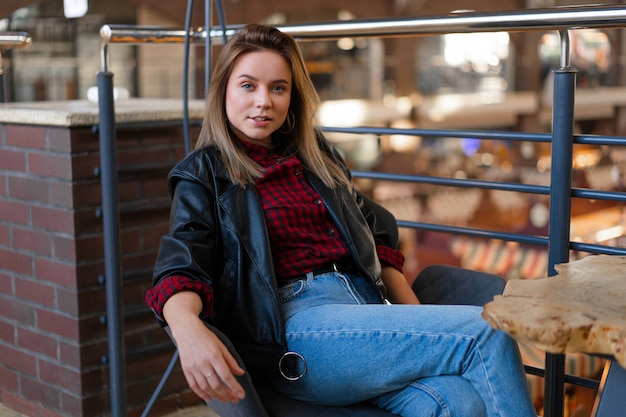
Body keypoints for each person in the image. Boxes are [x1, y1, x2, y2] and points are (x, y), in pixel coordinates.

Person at [146, 23, 536, 417]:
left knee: (458, 402)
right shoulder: (204, 174)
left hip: (364, 315)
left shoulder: (318, 158)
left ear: (292, 97)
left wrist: (414, 321)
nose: (263, 101)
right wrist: (188, 331)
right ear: (224, 91)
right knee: (487, 332)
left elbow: (378, 244)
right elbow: (180, 266)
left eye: (278, 88)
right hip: (299, 333)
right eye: (248, 85)